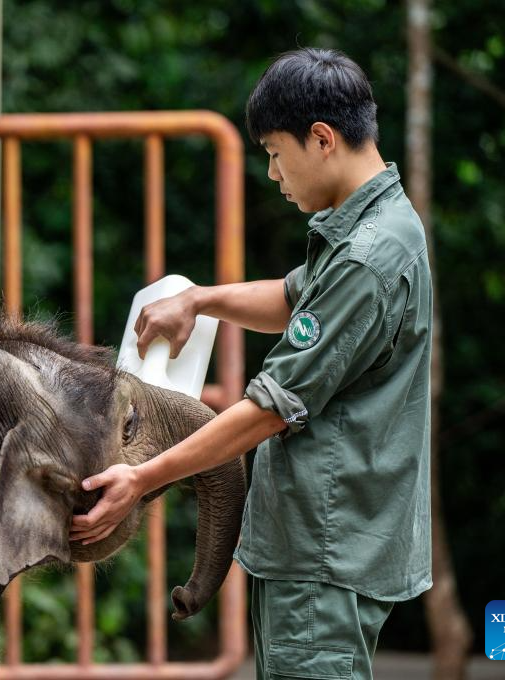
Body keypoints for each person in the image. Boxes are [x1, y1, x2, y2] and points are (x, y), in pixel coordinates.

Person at [70, 47, 433, 680]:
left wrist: (143, 476)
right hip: (318, 547)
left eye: (273, 152)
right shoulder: (371, 227)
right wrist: (200, 299)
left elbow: (270, 408)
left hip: (324, 551)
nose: (271, 174)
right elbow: (294, 298)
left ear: (320, 139)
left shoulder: (367, 259)